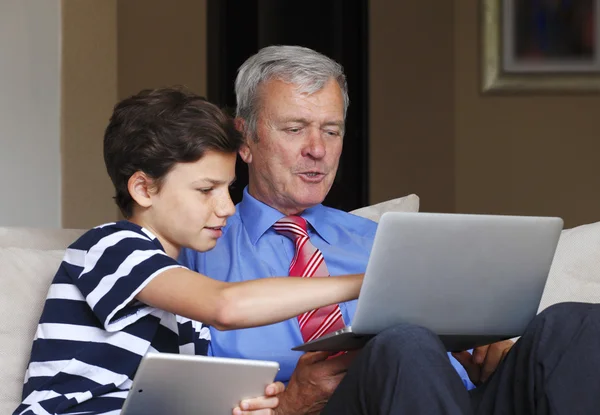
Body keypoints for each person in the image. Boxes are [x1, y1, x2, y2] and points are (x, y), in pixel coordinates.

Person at [179, 45, 600, 414]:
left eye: (331, 130)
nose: (318, 149)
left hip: (455, 401)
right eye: (294, 129)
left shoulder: (389, 242)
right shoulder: (198, 248)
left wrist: (488, 354)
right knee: (403, 344)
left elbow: (460, 351)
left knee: (573, 323)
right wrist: (288, 406)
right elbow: (169, 397)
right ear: (245, 139)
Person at [14, 87, 365, 415]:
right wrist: (366, 283)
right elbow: (226, 306)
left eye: (228, 188)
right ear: (144, 189)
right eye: (205, 189)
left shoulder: (183, 299)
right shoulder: (110, 246)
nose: (227, 207)